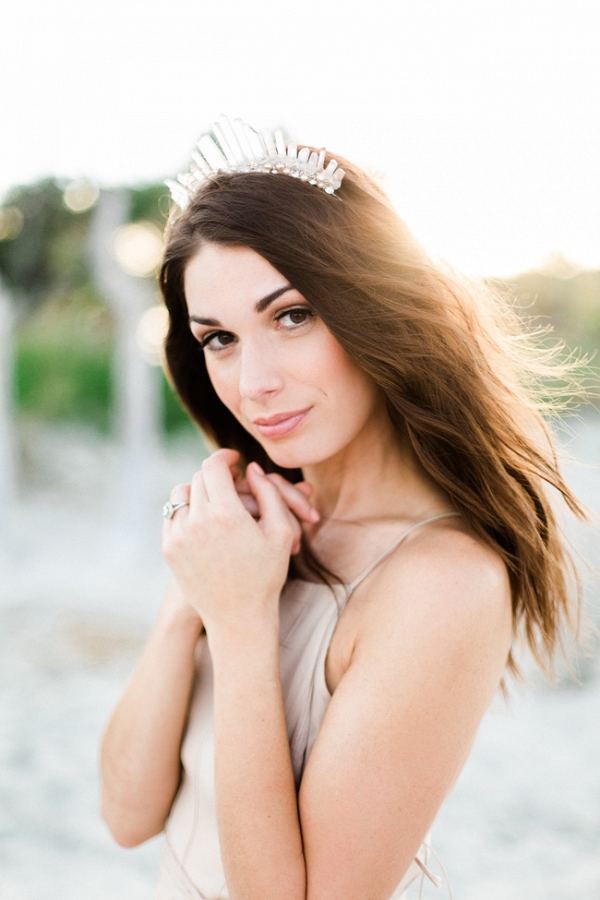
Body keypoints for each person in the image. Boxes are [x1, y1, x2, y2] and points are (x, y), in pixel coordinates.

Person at [100, 117, 583, 900]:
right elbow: (126, 812)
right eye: (218, 338)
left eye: (292, 316)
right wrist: (189, 595)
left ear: (373, 311)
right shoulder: (249, 534)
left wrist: (241, 623)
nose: (253, 380)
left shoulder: (442, 582)